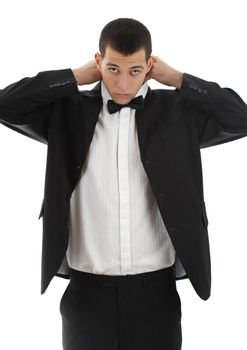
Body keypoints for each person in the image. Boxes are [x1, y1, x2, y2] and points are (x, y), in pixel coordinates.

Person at [0, 17, 247, 350]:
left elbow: (240, 118)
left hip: (156, 293)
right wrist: (73, 77)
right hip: (86, 294)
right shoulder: (67, 111)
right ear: (99, 61)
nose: (124, 84)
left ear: (149, 67)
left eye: (135, 71)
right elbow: (5, 105)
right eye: (113, 69)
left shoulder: (176, 113)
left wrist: (178, 79)